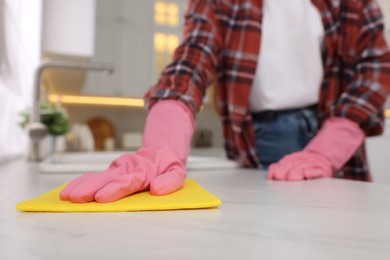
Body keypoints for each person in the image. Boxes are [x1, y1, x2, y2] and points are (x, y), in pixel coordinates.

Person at [60, 0, 390, 203]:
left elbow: (377, 66)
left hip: (336, 138)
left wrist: (332, 144)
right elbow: (193, 57)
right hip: (265, 137)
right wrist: (162, 141)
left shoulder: (351, 2)